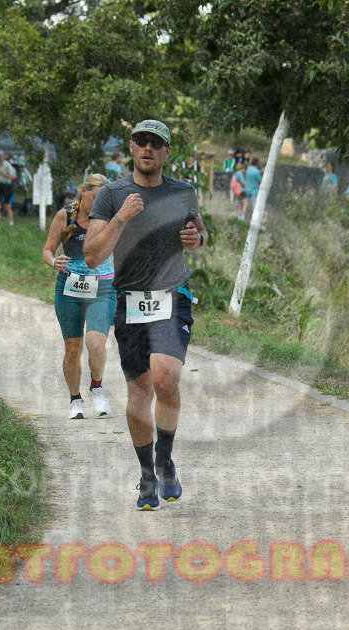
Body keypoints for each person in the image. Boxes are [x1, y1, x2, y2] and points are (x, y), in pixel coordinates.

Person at [84, 118, 208, 511]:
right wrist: (121, 218)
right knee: (140, 392)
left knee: (165, 376)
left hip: (173, 295)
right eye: (141, 141)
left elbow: (200, 233)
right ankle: (147, 475)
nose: (148, 148)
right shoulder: (111, 194)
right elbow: (92, 255)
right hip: (129, 300)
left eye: (156, 143)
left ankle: (165, 458)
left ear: (167, 152)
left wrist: (197, 238)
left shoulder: (183, 192)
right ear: (132, 147)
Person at [42, 173, 116, 420]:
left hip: (103, 286)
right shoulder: (65, 216)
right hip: (70, 287)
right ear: (83, 191)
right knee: (73, 348)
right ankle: (75, 399)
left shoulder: (110, 218)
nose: (99, 205)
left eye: (103, 200)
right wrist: (53, 261)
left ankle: (97, 386)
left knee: (96, 342)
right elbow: (47, 249)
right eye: (95, 198)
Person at [0, 151, 17, 226]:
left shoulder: (7, 165)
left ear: (4, 156)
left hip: (6, 185)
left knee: (7, 205)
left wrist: (3, 173)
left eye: (2, 155)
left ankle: (11, 222)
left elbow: (12, 177)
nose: (1, 156)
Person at [243, 156, 262, 220]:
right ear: (257, 163)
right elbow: (260, 182)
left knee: (248, 206)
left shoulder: (248, 169)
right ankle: (253, 220)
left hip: (247, 190)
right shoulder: (257, 172)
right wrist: (262, 173)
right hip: (254, 191)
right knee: (254, 207)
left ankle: (247, 218)